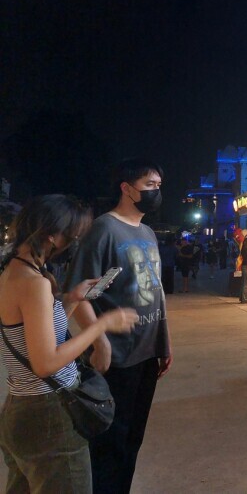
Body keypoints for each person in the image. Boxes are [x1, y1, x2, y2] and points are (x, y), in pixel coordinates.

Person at [0, 195, 138, 493]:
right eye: (73, 235)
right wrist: (101, 326)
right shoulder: (33, 282)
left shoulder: (18, 270)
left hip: (21, 409)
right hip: (47, 415)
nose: (75, 241)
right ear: (51, 235)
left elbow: (37, 329)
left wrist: (73, 299)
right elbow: (45, 362)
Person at [65, 158, 173, 494]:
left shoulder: (148, 232)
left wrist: (164, 342)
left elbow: (155, 292)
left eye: (158, 186)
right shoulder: (103, 229)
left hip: (146, 354)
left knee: (132, 440)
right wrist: (100, 343)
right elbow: (77, 295)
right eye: (148, 186)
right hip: (115, 357)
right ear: (126, 188)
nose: (156, 192)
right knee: (110, 443)